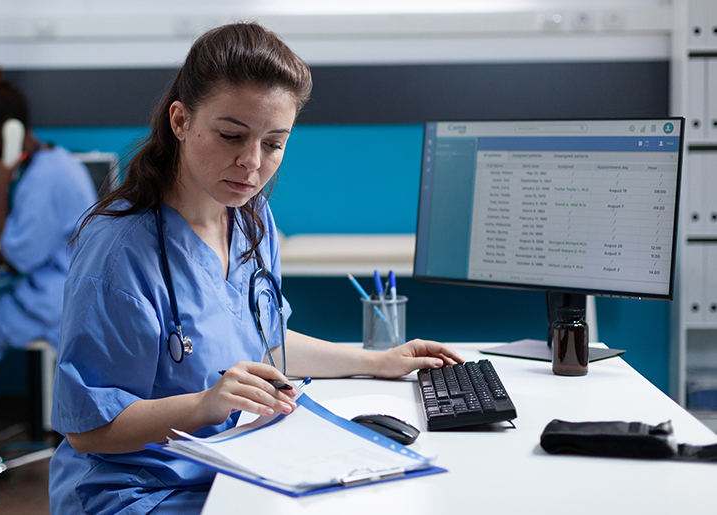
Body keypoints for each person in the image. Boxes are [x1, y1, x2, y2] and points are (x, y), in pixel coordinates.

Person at [49, 23, 463, 514]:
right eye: (231, 136)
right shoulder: (119, 251)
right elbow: (87, 428)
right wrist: (206, 405)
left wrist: (377, 361)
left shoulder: (251, 220)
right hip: (142, 491)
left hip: (233, 467)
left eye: (273, 144)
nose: (251, 163)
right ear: (180, 121)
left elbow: (266, 341)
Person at [0, 63, 98, 386]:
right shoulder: (59, 161)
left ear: (11, 131)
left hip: (53, 301)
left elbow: (18, 259)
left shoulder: (41, 180)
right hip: (66, 291)